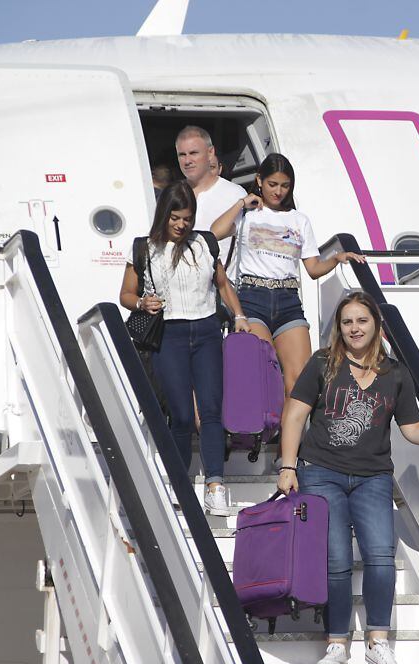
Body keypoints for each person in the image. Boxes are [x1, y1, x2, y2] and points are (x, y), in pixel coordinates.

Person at [276, 292, 419, 664]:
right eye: (347, 322)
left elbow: (411, 427)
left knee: (380, 556)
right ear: (340, 327)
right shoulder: (323, 363)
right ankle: (336, 641)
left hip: (373, 477)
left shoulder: (396, 374)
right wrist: (288, 466)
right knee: (336, 560)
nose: (354, 328)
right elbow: (295, 415)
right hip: (321, 471)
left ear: (375, 326)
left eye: (362, 321)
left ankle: (377, 641)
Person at [118, 181, 251, 515]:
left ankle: (215, 485)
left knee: (210, 410)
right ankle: (178, 482)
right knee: (178, 415)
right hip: (169, 334)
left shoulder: (204, 243)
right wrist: (141, 303)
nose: (181, 225)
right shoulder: (144, 248)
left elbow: (222, 284)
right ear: (164, 215)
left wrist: (239, 315)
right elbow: (125, 295)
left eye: (187, 218)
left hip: (206, 331)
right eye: (175, 218)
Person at [211, 153, 365, 399]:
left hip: (288, 300)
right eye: (272, 184)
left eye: (285, 186)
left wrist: (336, 259)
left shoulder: (299, 220)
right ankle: (257, 433)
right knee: (262, 372)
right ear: (259, 180)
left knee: (299, 381)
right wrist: (241, 203)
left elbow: (313, 269)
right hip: (252, 298)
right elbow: (214, 232)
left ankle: (289, 437)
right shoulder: (247, 215)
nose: (278, 191)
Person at [175, 125, 247, 264]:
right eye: (182, 155)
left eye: (194, 153)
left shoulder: (235, 194)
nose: (187, 161)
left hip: (223, 282)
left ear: (210, 152)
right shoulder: (172, 194)